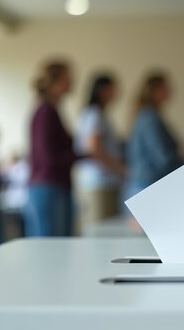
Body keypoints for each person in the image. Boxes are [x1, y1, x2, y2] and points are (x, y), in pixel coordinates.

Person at [27, 60, 79, 237]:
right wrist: (83, 155)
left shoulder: (51, 110)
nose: (72, 82)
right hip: (49, 186)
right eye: (67, 78)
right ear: (54, 82)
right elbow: (48, 156)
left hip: (54, 186)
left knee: (56, 248)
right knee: (51, 250)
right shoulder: (45, 111)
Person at [74, 74, 125, 232]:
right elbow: (94, 150)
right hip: (99, 183)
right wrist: (121, 169)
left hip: (103, 181)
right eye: (112, 89)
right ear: (103, 91)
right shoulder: (94, 115)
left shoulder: (96, 115)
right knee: (101, 233)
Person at [125, 71, 184, 200]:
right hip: (147, 185)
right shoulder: (149, 118)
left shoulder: (146, 115)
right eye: (166, 88)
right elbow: (162, 156)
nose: (170, 92)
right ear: (156, 91)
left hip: (144, 183)